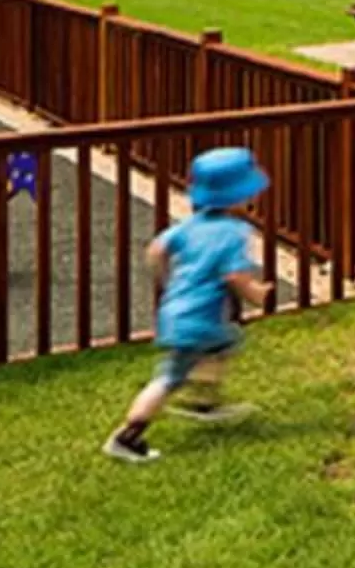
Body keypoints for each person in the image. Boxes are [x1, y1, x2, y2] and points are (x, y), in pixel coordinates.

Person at [102, 146, 275, 463]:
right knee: (168, 379)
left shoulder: (190, 226)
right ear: (237, 197)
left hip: (175, 312)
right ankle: (126, 437)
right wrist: (256, 294)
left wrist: (167, 281)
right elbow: (234, 275)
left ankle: (206, 404)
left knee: (225, 343)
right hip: (201, 320)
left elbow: (155, 251)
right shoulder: (235, 232)